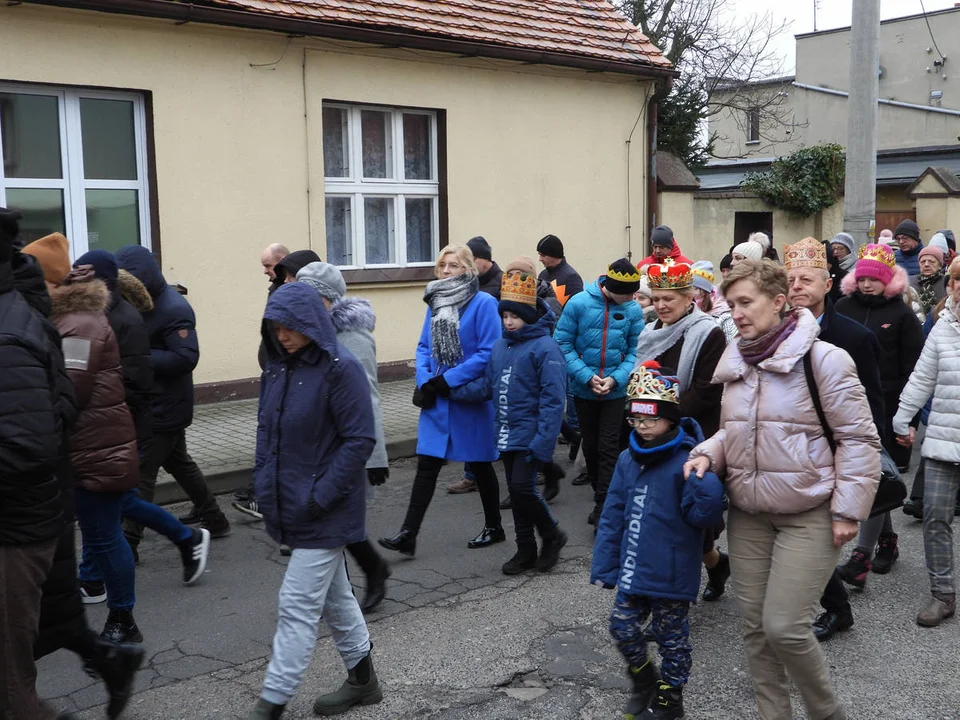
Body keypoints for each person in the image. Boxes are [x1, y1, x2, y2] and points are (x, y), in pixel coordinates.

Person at [685, 258, 880, 720]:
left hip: (809, 512)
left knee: (785, 627)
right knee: (755, 629)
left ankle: (827, 714)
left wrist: (848, 511)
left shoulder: (825, 360)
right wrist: (708, 453)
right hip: (749, 513)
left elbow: (859, 439)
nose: (736, 313)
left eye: (746, 302)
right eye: (730, 304)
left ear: (778, 301)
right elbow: (734, 429)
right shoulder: (738, 358)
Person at [13, 245, 146, 720]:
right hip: (84, 452)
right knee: (94, 540)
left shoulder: (82, 324)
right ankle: (111, 646)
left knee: (105, 536)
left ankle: (124, 619)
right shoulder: (62, 321)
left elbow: (72, 391)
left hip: (95, 451)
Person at [247, 282, 381, 719]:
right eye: (276, 327)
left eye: (292, 327)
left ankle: (273, 701)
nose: (283, 335)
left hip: (328, 505)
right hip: (292, 503)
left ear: (312, 323)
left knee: (297, 604)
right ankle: (364, 681)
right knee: (335, 596)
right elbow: (268, 436)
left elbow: (359, 439)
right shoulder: (277, 369)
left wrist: (321, 495)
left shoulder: (341, 369)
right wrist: (265, 490)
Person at [71, 251, 210, 595]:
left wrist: (115, 422)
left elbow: (171, 363)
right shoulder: (101, 315)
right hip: (114, 424)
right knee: (111, 497)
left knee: (119, 495)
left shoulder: (132, 317)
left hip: (134, 422)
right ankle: (189, 535)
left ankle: (108, 569)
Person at [593, 363, 725, 720]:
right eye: (635, 419)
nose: (642, 427)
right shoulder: (626, 458)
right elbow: (613, 513)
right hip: (634, 567)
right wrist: (606, 565)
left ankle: (671, 698)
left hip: (670, 571)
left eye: (651, 419)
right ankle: (644, 680)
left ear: (670, 418)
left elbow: (703, 519)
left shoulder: (688, 461)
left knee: (672, 641)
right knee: (621, 627)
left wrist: (709, 489)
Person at [783, 237, 886, 642]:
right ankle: (828, 608)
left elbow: (872, 405)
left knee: (819, 538)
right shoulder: (776, 333)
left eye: (806, 278)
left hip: (832, 453)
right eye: (790, 279)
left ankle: (836, 609)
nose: (796, 286)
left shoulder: (855, 338)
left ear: (828, 284)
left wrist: (871, 455)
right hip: (788, 451)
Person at [0, 209, 77, 719]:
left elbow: (29, 443)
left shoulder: (12, 331)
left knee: (10, 688)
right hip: (32, 514)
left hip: (15, 526)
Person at [379, 245, 504, 556]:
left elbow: (488, 353)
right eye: (443, 266)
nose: (447, 271)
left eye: (454, 265)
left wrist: (447, 380)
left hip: (466, 396)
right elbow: (423, 346)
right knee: (427, 465)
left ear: (469, 269)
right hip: (437, 397)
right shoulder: (435, 302)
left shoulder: (485, 303)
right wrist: (426, 381)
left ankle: (494, 526)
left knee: (479, 464)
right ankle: (408, 533)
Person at [451, 260, 569, 575]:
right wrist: (449, 390)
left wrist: (544, 444)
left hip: (531, 436)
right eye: (504, 315)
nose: (508, 322)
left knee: (521, 489)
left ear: (528, 315)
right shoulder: (501, 347)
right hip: (506, 432)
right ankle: (526, 549)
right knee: (518, 494)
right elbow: (487, 386)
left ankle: (552, 534)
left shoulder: (546, 349)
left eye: (514, 315)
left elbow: (553, 401)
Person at [115, 245, 230, 542]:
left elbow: (185, 358)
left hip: (164, 406)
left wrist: (136, 356)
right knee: (179, 462)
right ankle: (214, 518)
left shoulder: (174, 308)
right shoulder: (143, 301)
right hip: (153, 402)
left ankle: (129, 541)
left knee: (142, 475)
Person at [295, 261, 392, 613]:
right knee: (329, 521)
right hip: (317, 442)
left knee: (335, 521)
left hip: (347, 444)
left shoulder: (352, 335)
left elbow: (369, 395)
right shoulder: (306, 331)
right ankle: (360, 579)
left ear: (330, 300)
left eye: (312, 297)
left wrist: (376, 455)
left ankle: (369, 573)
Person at [636, 261, 729, 601]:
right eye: (657, 298)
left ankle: (712, 566)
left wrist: (666, 417)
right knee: (659, 521)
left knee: (692, 524)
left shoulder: (709, 333)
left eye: (669, 299)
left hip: (693, 436)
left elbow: (707, 391)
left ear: (689, 296)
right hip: (652, 434)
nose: (661, 306)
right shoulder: (650, 331)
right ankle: (667, 594)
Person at [892, 257, 960, 627]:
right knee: (935, 516)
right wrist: (902, 417)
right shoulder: (941, 328)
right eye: (958, 281)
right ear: (950, 286)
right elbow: (922, 377)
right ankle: (943, 594)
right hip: (943, 441)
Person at [555, 259, 645, 526]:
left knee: (609, 448)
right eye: (627, 292)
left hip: (615, 393)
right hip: (585, 391)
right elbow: (562, 342)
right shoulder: (579, 303)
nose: (632, 297)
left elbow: (636, 350)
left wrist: (616, 379)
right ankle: (599, 491)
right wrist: (586, 375)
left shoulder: (632, 309)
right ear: (611, 287)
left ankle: (604, 505)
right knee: (591, 447)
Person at [835, 243, 924, 474]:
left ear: (887, 280)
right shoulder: (842, 307)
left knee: (886, 476)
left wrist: (909, 421)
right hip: (845, 398)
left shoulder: (902, 314)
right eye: (862, 278)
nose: (866, 285)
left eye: (873, 279)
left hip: (888, 402)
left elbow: (913, 368)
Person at [446, 235, 503, 495]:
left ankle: (538, 469)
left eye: (473, 260)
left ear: (484, 260)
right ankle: (473, 474)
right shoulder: (464, 288)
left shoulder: (497, 288)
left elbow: (493, 339)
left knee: (495, 423)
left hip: (491, 367)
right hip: (468, 368)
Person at [691, 261, 737, 341]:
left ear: (704, 292)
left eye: (694, 288)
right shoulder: (689, 310)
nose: (689, 293)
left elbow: (730, 341)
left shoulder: (723, 314)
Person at [536, 234, 584, 307]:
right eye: (539, 255)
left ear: (554, 255)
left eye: (543, 255)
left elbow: (577, 308)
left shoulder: (572, 278)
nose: (540, 259)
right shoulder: (543, 275)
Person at [917, 245, 947, 317]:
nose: (926, 264)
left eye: (931, 262)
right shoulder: (909, 282)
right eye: (923, 262)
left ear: (940, 265)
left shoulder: (947, 282)